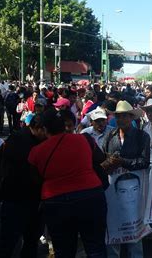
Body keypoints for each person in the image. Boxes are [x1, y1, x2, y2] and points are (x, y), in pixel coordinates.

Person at [28, 109, 107, 257]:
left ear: (45, 129)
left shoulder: (36, 152)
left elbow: (35, 180)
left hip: (55, 201)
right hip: (91, 196)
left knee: (63, 250)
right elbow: (100, 158)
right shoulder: (85, 139)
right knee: (95, 247)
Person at [101, 100, 150, 258]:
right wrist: (108, 163)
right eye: (118, 116)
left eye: (124, 116)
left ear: (131, 117)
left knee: (134, 230)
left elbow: (143, 162)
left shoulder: (142, 136)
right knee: (114, 227)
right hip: (114, 192)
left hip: (134, 193)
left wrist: (122, 162)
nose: (121, 119)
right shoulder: (110, 135)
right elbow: (102, 158)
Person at [0, 114, 46, 258]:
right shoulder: (18, 140)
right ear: (37, 128)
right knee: (9, 242)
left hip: (32, 200)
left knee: (30, 241)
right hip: (16, 199)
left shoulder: (32, 140)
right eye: (44, 131)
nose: (47, 135)